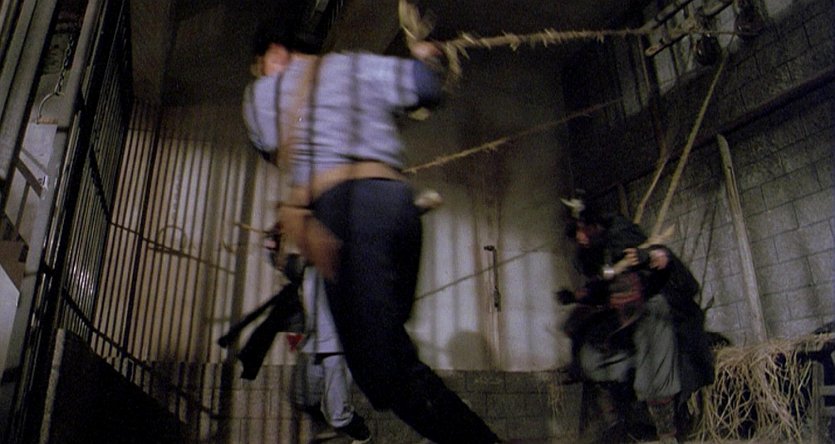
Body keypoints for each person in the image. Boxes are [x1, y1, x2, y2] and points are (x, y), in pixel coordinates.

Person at [241, 17, 501, 444]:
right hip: (396, 207)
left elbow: (266, 144)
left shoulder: (264, 91)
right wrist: (427, 56)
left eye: (263, 64)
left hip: (348, 215)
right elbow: (426, 88)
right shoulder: (353, 65)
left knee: (384, 373)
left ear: (274, 54)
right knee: (389, 348)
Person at [557, 200, 714, 444]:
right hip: (624, 318)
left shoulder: (623, 235)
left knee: (654, 367)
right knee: (591, 355)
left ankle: (667, 435)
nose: (580, 237)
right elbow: (602, 289)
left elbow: (662, 261)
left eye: (583, 229)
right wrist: (577, 297)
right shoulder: (597, 253)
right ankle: (618, 423)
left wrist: (652, 257)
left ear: (594, 224)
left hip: (655, 310)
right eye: (575, 231)